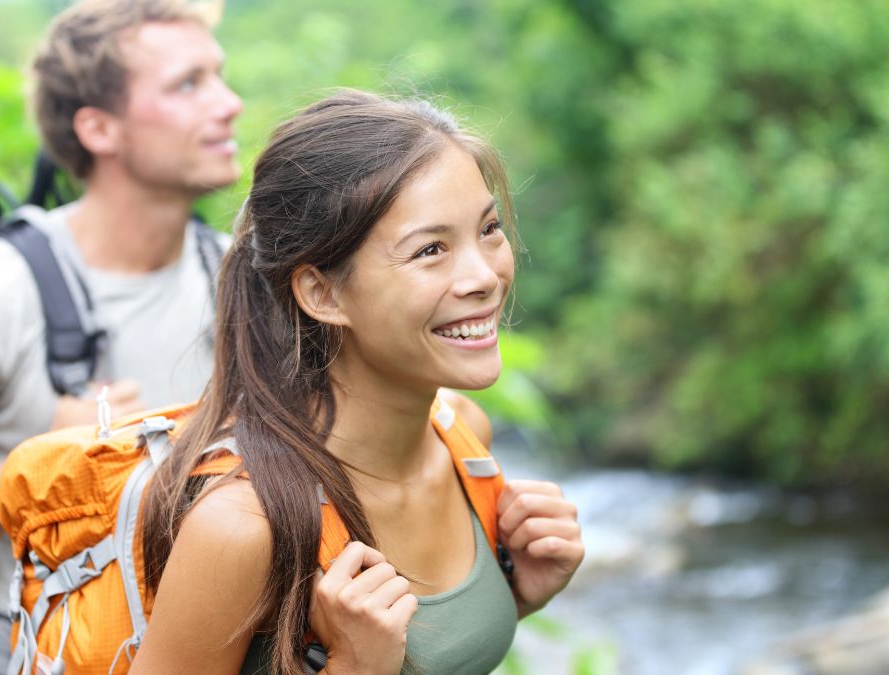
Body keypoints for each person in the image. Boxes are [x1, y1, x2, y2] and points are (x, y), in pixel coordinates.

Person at [0, 1, 243, 673]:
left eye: (219, 76)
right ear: (97, 127)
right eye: (187, 84)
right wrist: (58, 464)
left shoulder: (240, 279)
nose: (229, 103)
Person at [130, 90, 584, 674]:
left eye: (489, 228)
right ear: (323, 293)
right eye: (430, 250)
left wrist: (519, 594)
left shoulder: (462, 439)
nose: (484, 276)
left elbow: (435, 655)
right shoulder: (242, 528)